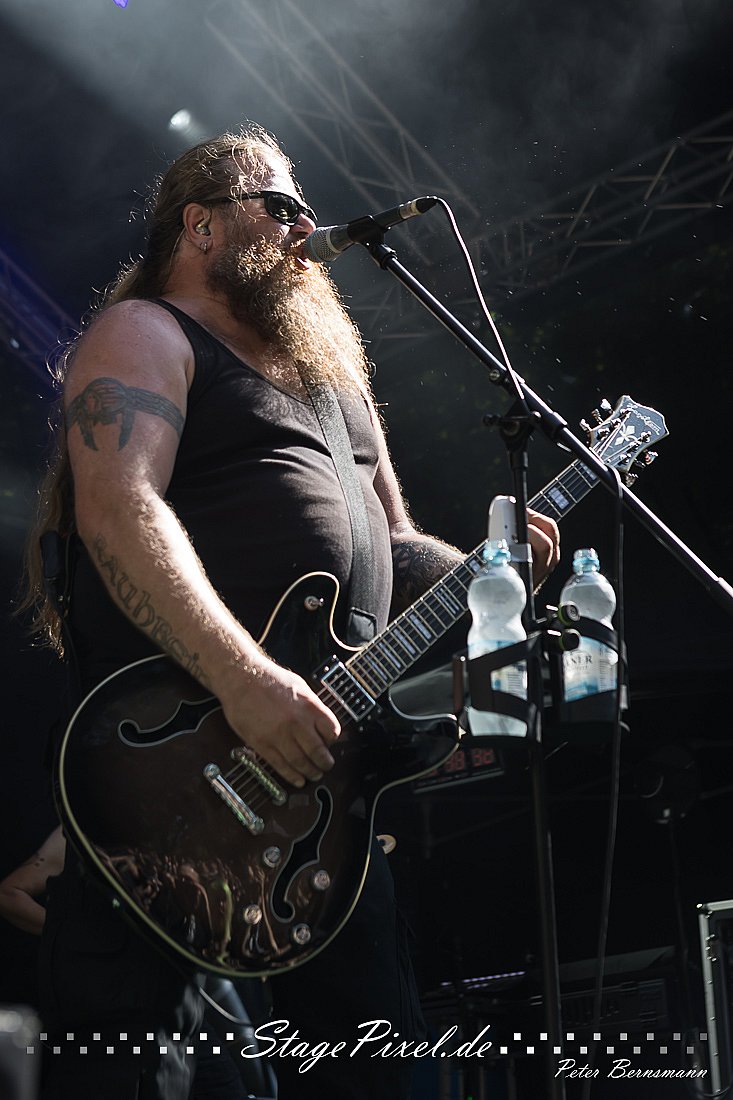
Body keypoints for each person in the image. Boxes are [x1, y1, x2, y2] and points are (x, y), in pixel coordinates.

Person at [24, 124, 560, 1099]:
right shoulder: (147, 333)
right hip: (169, 766)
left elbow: (396, 548)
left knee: (380, 1072)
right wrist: (245, 678)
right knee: (122, 1068)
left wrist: (487, 568)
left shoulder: (336, 383)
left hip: (317, 800)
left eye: (304, 208)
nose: (305, 225)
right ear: (200, 226)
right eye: (278, 206)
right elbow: (119, 507)